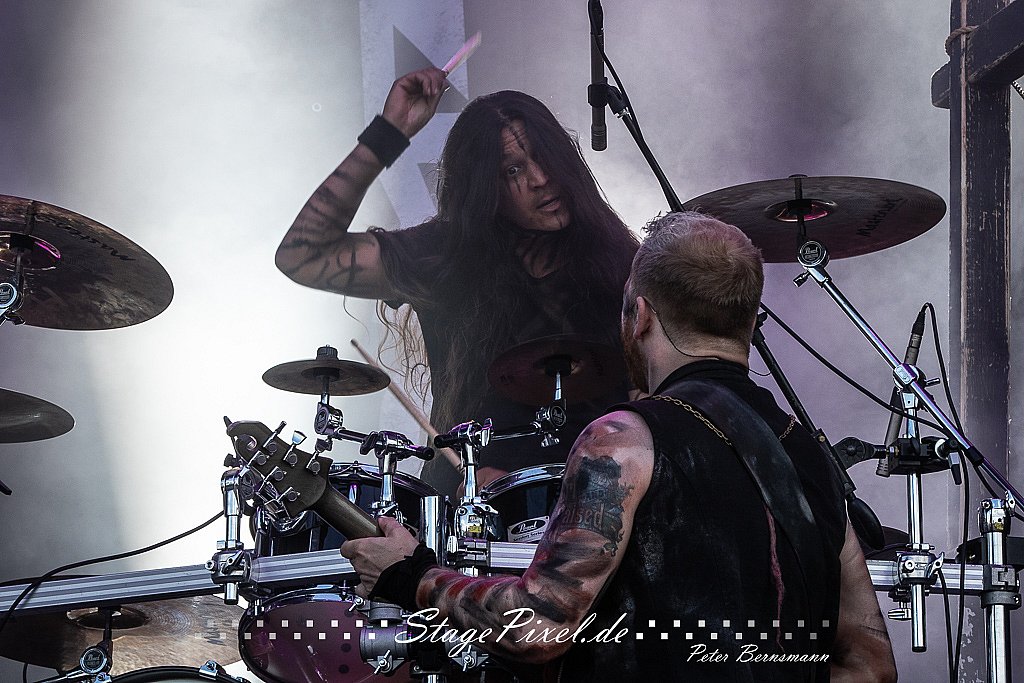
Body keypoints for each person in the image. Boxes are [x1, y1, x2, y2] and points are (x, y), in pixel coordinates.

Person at [341, 212, 898, 682]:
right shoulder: (811, 457)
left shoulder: (624, 441)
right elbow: (872, 666)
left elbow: (539, 626)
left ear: (641, 315)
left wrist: (411, 575)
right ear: (750, 322)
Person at [276, 67, 638, 497]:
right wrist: (389, 132)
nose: (540, 179)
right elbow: (303, 255)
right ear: (483, 187)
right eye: (513, 170)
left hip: (601, 503)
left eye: (546, 158)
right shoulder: (443, 256)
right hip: (467, 507)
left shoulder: (620, 263)